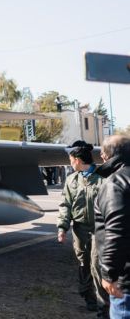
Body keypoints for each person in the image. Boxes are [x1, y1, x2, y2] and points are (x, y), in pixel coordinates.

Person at [57, 141, 107, 315]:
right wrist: (62, 227)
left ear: (77, 159)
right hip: (79, 229)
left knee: (96, 264)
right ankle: (89, 298)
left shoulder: (102, 179)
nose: (70, 163)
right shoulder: (71, 180)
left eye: (71, 159)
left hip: (99, 229)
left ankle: (103, 304)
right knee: (83, 263)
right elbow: (65, 205)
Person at [94, 135, 130, 318]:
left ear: (107, 155)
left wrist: (109, 273)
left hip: (126, 281)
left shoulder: (115, 183)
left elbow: (117, 231)